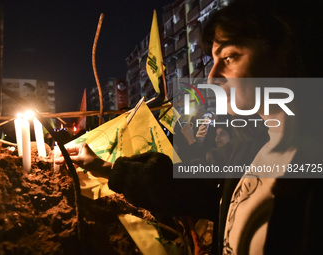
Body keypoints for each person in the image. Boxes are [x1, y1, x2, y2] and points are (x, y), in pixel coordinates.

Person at [56, 0, 323, 254]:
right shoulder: (249, 149)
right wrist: (104, 167)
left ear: (286, 51)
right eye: (213, 59)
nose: (212, 76)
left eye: (230, 57)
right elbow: (189, 187)